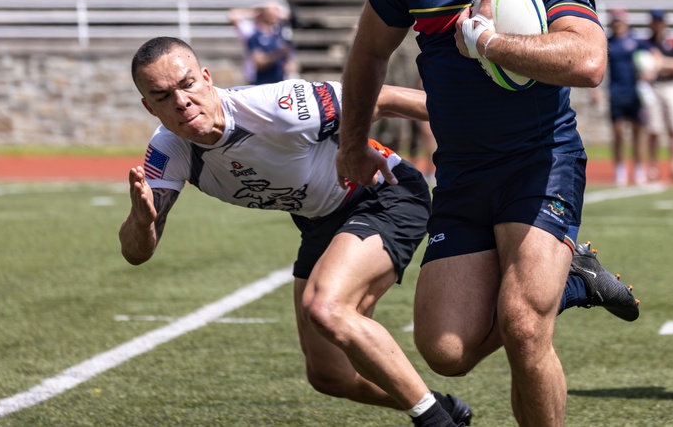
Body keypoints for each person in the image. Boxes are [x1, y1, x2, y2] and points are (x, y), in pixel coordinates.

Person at [335, 0, 637, 427]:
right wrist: (351, 144)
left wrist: (493, 44)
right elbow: (368, 50)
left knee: (525, 329)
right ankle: (573, 277)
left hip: (540, 162)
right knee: (446, 351)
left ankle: (551, 284)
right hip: (464, 172)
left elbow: (587, 60)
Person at [121, 37, 471, 427]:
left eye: (187, 85)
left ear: (206, 78)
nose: (181, 102)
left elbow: (383, 98)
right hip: (321, 220)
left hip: (383, 192)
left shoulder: (278, 107)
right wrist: (141, 220)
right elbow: (138, 252)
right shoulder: (168, 151)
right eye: (163, 96)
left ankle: (436, 421)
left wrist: (488, 122)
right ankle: (443, 406)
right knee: (329, 376)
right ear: (148, 107)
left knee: (328, 307)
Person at [605, 8, 652, 186]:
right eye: (615, 21)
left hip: (635, 93)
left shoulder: (636, 41)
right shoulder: (608, 42)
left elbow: (651, 57)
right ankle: (620, 170)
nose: (617, 24)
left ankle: (640, 170)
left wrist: (649, 71)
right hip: (616, 92)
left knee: (638, 133)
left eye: (620, 20)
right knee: (617, 133)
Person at [642, 9, 673, 183]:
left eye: (660, 21)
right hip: (653, 86)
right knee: (653, 129)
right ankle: (653, 167)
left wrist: (662, 63)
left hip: (671, 85)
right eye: (655, 21)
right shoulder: (645, 43)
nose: (657, 24)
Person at [227, 0, 298, 85]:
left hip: (279, 81)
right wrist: (255, 11)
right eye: (272, 13)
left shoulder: (280, 33)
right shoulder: (253, 33)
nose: (276, 16)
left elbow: (291, 62)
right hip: (260, 81)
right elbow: (259, 62)